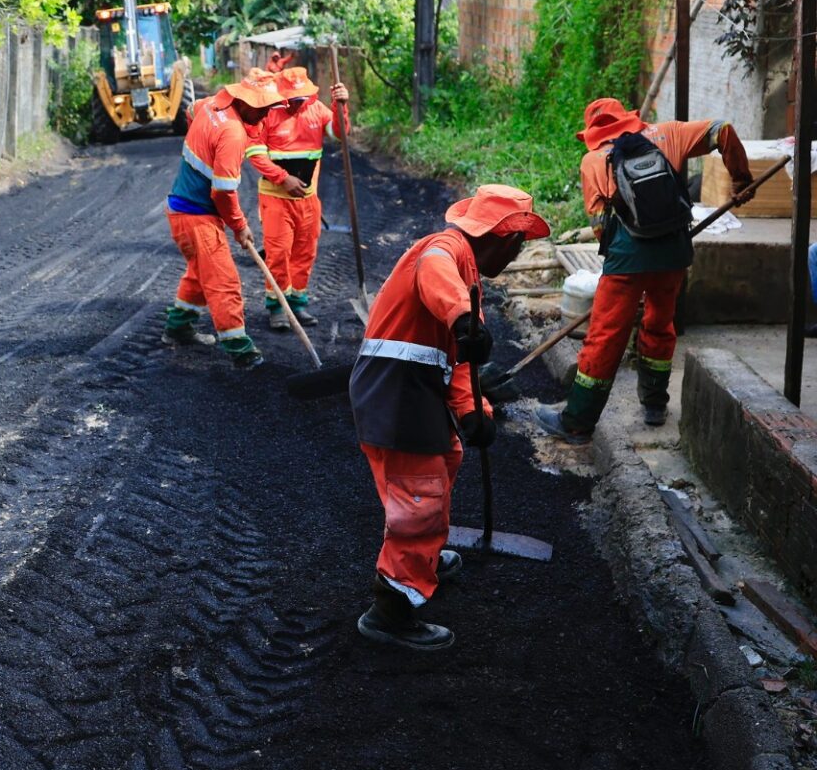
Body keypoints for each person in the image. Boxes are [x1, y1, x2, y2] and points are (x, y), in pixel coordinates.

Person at [350, 185, 551, 650]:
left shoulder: (467, 272)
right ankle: (390, 611)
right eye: (519, 242)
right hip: (396, 393)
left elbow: (460, 361)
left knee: (444, 463)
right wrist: (464, 317)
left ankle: (421, 557)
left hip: (415, 392)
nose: (519, 251)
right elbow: (434, 275)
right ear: (501, 237)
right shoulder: (444, 251)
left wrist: (472, 410)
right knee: (419, 499)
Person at [536, 100, 752, 442]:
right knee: (660, 323)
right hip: (674, 254)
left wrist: (627, 263)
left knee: (605, 337)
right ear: (629, 118)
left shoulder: (593, 160)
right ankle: (654, 405)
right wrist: (741, 180)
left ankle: (576, 422)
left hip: (627, 261)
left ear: (592, 132)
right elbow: (721, 129)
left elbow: (599, 227)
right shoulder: (668, 134)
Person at [163, 70, 285, 369]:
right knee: (223, 280)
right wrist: (240, 227)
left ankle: (178, 327)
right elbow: (223, 194)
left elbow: (191, 111)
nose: (268, 113)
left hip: (181, 209)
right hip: (196, 215)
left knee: (199, 272)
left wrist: (204, 141)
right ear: (245, 101)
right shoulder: (232, 133)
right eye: (264, 107)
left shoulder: (212, 105)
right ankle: (240, 350)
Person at [248, 66, 350, 330]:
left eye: (301, 98)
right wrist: (283, 178)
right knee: (278, 252)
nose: (297, 103)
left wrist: (342, 106)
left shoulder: (318, 111)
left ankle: (297, 304)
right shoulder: (268, 115)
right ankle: (277, 308)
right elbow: (256, 156)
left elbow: (340, 134)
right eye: (292, 99)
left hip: (308, 200)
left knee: (305, 253)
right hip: (275, 199)